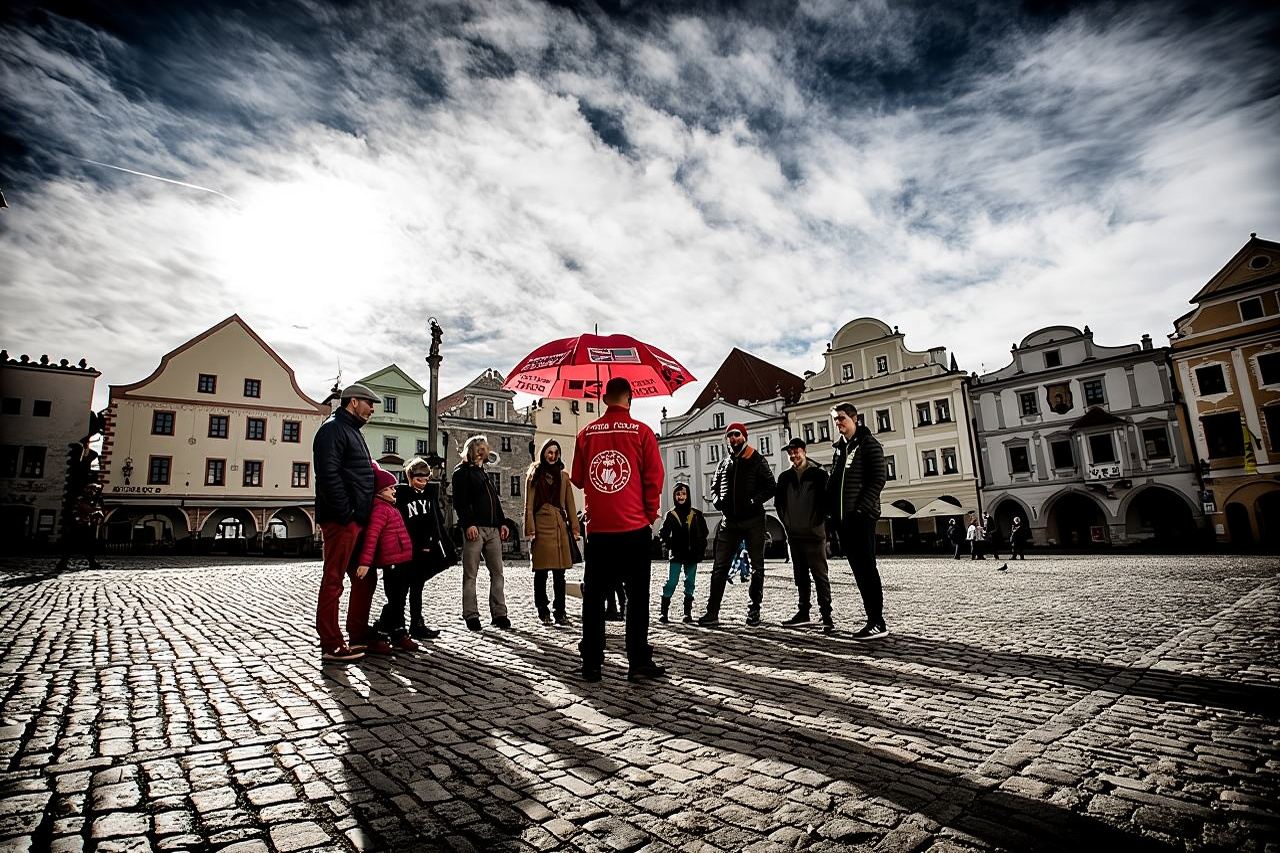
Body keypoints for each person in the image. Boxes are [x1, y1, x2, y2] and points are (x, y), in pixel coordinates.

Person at [570, 377, 666, 683]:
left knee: (594, 597)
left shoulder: (585, 433)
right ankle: (637, 662)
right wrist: (649, 514)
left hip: (599, 529)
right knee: (636, 597)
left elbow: (578, 479)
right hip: (634, 526)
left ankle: (592, 663)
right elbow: (654, 477)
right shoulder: (643, 432)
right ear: (630, 399)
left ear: (603, 398)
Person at [314, 383, 388, 663]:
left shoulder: (351, 431)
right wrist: (347, 513)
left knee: (365, 577)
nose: (372, 409)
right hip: (341, 519)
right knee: (333, 580)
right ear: (353, 402)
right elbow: (328, 474)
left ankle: (357, 633)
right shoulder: (332, 429)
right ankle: (330, 643)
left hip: (356, 518)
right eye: (369, 403)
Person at [697, 423, 776, 627]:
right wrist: (717, 501)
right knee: (719, 567)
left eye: (736, 434)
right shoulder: (723, 463)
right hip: (728, 522)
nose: (733, 438)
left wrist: (752, 501)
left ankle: (754, 610)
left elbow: (771, 486)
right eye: (730, 435)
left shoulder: (756, 459)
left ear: (744, 437)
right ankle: (712, 612)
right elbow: (714, 486)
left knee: (757, 567)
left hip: (753, 521)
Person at [827, 403, 888, 640]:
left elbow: (878, 479)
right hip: (844, 521)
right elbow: (835, 485)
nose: (838, 423)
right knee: (859, 572)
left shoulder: (868, 444)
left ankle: (877, 621)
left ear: (855, 419)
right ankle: (872, 619)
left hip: (861, 518)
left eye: (841, 418)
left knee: (867, 569)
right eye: (835, 420)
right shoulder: (840, 450)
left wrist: (862, 510)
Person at [451, 435, 511, 631]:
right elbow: (460, 502)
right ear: (470, 450)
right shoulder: (461, 473)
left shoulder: (483, 473)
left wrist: (502, 522)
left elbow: (494, 500)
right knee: (471, 575)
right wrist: (468, 524)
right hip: (475, 529)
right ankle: (471, 615)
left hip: (493, 529)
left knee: (498, 574)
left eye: (483, 448)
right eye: (477, 448)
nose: (481, 451)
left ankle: (499, 614)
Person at [775, 438, 833, 631]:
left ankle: (826, 615)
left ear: (804, 451)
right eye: (790, 453)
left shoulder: (818, 475)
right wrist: (787, 524)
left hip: (814, 534)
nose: (793, 456)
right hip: (794, 535)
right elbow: (779, 504)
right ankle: (803, 613)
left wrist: (817, 523)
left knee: (820, 576)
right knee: (800, 576)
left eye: (796, 452)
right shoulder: (784, 478)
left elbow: (826, 502)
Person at [395, 457, 456, 639]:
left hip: (425, 548)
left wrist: (435, 542)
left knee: (417, 587)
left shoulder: (430, 495)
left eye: (425, 480)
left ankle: (417, 623)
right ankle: (398, 626)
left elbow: (435, 521)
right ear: (410, 477)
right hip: (406, 549)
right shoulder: (402, 495)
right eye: (418, 479)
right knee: (401, 589)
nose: (422, 483)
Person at [359, 465, 416, 652]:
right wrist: (365, 563)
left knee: (400, 599)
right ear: (380, 491)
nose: (394, 490)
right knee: (395, 600)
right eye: (390, 488)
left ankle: (399, 632)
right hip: (392, 563)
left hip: (402, 561)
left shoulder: (390, 508)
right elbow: (371, 537)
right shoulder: (380, 510)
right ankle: (380, 633)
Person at [524, 439, 580, 626]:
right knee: (540, 573)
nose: (553, 456)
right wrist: (530, 529)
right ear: (543, 453)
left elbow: (570, 504)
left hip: (558, 527)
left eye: (556, 452)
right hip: (540, 526)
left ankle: (560, 611)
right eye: (550, 452)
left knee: (559, 574)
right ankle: (543, 610)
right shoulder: (534, 474)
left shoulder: (564, 476)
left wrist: (574, 528)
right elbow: (529, 505)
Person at [658, 483, 709, 624]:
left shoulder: (696, 514)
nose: (681, 497)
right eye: (678, 494)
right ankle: (664, 612)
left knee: (690, 583)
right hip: (676, 555)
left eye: (684, 494)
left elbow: (704, 533)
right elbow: (663, 533)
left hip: (692, 555)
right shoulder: (670, 515)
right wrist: (669, 544)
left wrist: (700, 548)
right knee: (671, 582)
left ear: (688, 496)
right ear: (674, 496)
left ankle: (687, 613)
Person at [56, 481, 105, 571]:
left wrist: (96, 511)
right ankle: (62, 563)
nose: (95, 492)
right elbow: (85, 508)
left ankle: (92, 562)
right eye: (95, 490)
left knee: (87, 545)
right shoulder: (81, 499)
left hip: (84, 525)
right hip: (77, 525)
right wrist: (95, 512)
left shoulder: (90, 499)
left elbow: (94, 509)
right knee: (73, 545)